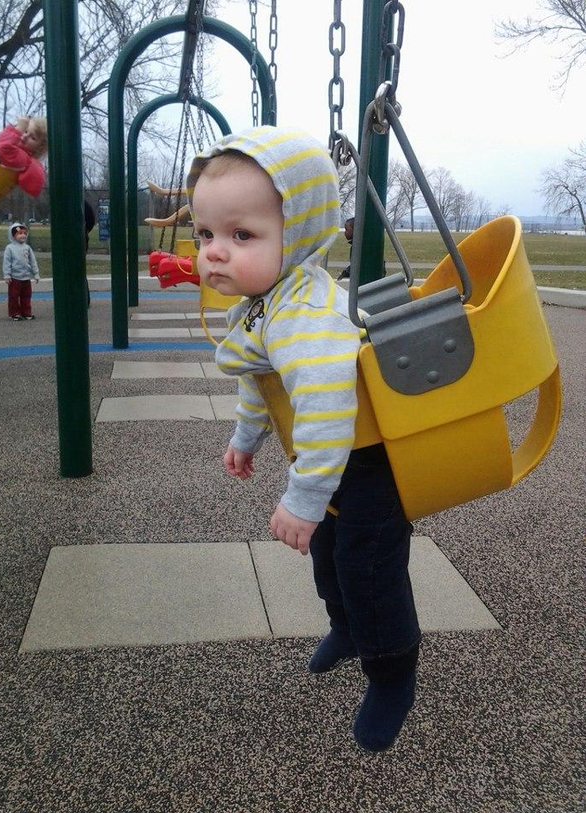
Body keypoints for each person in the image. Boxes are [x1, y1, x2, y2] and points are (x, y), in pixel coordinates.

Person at [188, 126, 421, 753]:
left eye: (242, 235)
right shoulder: (267, 302)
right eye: (206, 234)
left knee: (368, 568)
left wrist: (303, 496)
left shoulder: (303, 312)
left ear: (299, 232)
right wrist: (247, 436)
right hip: (335, 460)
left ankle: (392, 674)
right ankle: (347, 630)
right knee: (327, 558)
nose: (214, 252)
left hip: (369, 461)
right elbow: (260, 375)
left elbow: (321, 405)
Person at [0, 116, 47, 202]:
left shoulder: (22, 159)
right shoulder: (17, 151)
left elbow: (3, 146)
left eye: (33, 138)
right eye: (25, 131)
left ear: (39, 148)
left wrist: (19, 129)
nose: (24, 136)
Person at [3, 222, 40, 321]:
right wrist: (7, 274)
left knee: (26, 296)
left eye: (24, 233)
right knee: (14, 296)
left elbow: (33, 261)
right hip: (14, 278)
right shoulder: (10, 248)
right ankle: (15, 313)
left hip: (26, 277)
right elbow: (7, 262)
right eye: (20, 233)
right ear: (13, 236)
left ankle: (26, 312)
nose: (23, 235)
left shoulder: (27, 248)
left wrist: (36, 273)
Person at [84, 199, 96, 307]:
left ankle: (84, 299)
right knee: (80, 269)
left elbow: (91, 220)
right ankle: (84, 299)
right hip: (82, 236)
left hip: (80, 236)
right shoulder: (84, 203)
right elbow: (91, 220)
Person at [336, 216, 354, 281]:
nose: (345, 233)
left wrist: (345, 273)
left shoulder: (357, 248)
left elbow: (356, 266)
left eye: (347, 229)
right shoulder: (355, 246)